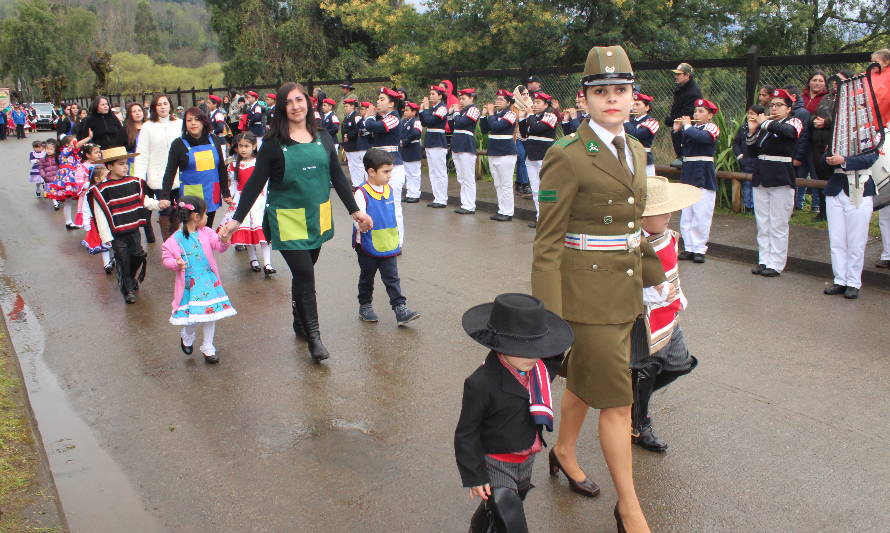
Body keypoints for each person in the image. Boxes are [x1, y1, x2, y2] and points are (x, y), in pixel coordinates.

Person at [531, 45, 665, 533]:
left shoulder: (638, 149)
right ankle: (628, 507)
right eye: (601, 91)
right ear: (584, 99)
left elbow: (633, 226)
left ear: (634, 98)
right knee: (618, 399)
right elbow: (546, 244)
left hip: (627, 291)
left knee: (587, 383)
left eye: (621, 91)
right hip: (585, 299)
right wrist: (547, 318)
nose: (612, 100)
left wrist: (659, 273)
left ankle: (564, 450)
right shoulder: (564, 154)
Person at [218, 82, 373, 362]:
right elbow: (254, 184)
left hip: (317, 217)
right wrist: (235, 220)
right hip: (287, 219)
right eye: (288, 102)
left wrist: (355, 211)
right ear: (281, 107)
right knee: (305, 274)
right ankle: (314, 336)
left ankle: (297, 318)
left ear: (308, 103)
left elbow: (337, 178)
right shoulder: (273, 144)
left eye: (299, 100)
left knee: (304, 273)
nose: (295, 106)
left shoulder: (323, 137)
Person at [455, 293, 572, 533]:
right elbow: (466, 433)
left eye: (538, 349)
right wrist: (475, 476)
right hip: (496, 463)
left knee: (501, 509)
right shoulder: (481, 383)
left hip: (526, 460)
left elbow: (555, 355)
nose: (533, 357)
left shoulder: (538, 372)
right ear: (501, 346)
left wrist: (550, 341)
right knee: (510, 515)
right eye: (523, 349)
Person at [632, 176, 702, 452]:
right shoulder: (632, 244)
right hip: (644, 319)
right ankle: (639, 422)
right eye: (660, 210)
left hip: (668, 315)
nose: (669, 214)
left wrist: (674, 296)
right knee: (647, 369)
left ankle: (632, 401)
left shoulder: (668, 237)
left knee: (680, 363)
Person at [90, 146, 170, 303]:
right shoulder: (101, 189)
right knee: (123, 259)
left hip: (133, 229)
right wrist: (105, 235)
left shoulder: (134, 182)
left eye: (126, 163)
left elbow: (143, 200)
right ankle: (127, 290)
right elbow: (101, 214)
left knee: (138, 256)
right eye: (120, 164)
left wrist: (158, 204)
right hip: (116, 233)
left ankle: (130, 277)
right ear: (109, 166)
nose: (125, 167)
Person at [162, 196, 236, 364]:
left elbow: (219, 246)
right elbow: (166, 258)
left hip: (209, 281)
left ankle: (208, 347)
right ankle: (187, 335)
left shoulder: (207, 233)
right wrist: (176, 263)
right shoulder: (175, 239)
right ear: (196, 217)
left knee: (211, 315)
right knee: (193, 316)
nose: (206, 218)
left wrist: (224, 239)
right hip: (189, 285)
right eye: (204, 215)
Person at [352, 149, 420, 325]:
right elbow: (357, 218)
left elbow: (393, 214)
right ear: (371, 172)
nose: (390, 175)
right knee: (367, 277)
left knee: (392, 277)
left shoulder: (389, 189)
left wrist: (397, 239)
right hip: (367, 244)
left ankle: (400, 309)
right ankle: (365, 306)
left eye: (391, 171)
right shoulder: (361, 192)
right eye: (386, 172)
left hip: (388, 243)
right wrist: (362, 224)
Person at [747, 88, 804, 278]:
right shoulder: (766, 126)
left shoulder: (793, 121)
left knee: (778, 223)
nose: (774, 108)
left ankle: (776, 263)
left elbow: (789, 133)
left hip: (781, 177)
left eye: (779, 105)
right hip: (762, 175)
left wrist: (765, 123)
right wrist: (752, 131)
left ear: (788, 108)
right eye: (772, 105)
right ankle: (764, 259)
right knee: (763, 222)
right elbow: (753, 151)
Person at [821, 149, 879, 299]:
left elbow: (871, 157)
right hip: (836, 188)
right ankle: (840, 279)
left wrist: (844, 160)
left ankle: (853, 282)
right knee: (837, 239)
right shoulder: (837, 133)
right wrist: (828, 158)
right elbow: (822, 161)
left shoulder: (869, 131)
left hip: (860, 187)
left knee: (856, 240)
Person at [160, 107, 231, 227]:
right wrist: (164, 196)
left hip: (211, 192)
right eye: (189, 120)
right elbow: (170, 172)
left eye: (197, 119)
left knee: (207, 230)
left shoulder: (214, 140)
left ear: (203, 122)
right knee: (193, 232)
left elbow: (221, 169)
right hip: (191, 197)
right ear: (185, 124)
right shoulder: (178, 144)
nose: (193, 123)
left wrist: (226, 192)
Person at [671, 98, 720, 263]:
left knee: (701, 213)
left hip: (703, 172)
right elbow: (680, 150)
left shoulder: (711, 127)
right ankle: (689, 247)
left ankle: (700, 248)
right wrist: (677, 132)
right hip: (688, 171)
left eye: (701, 111)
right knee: (687, 214)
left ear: (710, 115)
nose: (696, 114)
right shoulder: (689, 128)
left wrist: (686, 126)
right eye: (695, 111)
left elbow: (703, 139)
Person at [221, 132, 275, 275]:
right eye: (240, 146)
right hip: (241, 201)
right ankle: (253, 259)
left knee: (263, 232)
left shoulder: (260, 162)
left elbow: (266, 183)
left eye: (247, 146)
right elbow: (233, 184)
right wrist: (229, 196)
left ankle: (268, 263)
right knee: (246, 231)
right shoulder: (233, 165)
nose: (243, 149)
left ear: (254, 146)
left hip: (259, 201)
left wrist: (267, 197)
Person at [134, 93, 184, 241]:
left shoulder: (179, 123)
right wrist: (139, 178)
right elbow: (141, 154)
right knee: (164, 208)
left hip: (179, 174)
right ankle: (168, 243)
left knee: (178, 209)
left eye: (165, 103)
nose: (163, 107)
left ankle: (177, 241)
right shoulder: (148, 127)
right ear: (154, 108)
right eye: (159, 104)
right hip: (158, 175)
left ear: (170, 105)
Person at [363, 87, 407, 245]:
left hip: (392, 168)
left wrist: (368, 118)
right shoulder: (381, 118)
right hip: (378, 165)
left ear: (391, 104)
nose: (378, 102)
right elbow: (365, 129)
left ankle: (398, 242)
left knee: (394, 207)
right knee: (377, 205)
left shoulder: (394, 117)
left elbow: (373, 127)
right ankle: (380, 239)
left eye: (382, 99)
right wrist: (369, 120)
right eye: (378, 99)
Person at [518, 91, 558, 228]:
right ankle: (539, 216)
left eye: (538, 102)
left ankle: (550, 218)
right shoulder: (532, 117)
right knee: (535, 189)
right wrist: (522, 119)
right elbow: (524, 133)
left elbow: (537, 128)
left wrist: (529, 115)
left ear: (546, 105)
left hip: (544, 156)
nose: (534, 105)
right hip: (531, 156)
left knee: (546, 188)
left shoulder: (550, 116)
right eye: (534, 102)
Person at [480, 90, 518, 222]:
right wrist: (484, 116)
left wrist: (490, 114)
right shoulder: (495, 114)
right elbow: (485, 129)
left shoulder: (511, 114)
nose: (497, 101)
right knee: (498, 183)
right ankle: (501, 209)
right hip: (494, 151)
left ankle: (508, 212)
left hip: (506, 152)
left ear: (508, 103)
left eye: (501, 99)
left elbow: (497, 127)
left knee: (506, 183)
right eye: (497, 99)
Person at [50, 134, 93, 229]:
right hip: (67, 177)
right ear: (66, 144)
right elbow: (77, 146)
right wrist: (88, 137)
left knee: (68, 202)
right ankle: (69, 222)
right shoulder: (65, 151)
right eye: (74, 141)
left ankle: (69, 222)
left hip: (72, 176)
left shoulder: (73, 153)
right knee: (68, 201)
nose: (76, 143)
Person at [449, 88, 480, 215]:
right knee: (461, 177)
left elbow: (462, 123)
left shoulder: (474, 109)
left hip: (466, 146)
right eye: (460, 98)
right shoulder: (461, 111)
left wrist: (455, 112)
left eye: (464, 98)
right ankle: (464, 203)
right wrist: (451, 114)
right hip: (457, 145)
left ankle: (470, 205)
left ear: (471, 98)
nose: (460, 101)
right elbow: (452, 127)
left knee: (468, 177)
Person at [419, 85, 450, 208]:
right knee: (432, 171)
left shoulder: (442, 108)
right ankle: (437, 197)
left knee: (440, 171)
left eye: (433, 94)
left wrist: (426, 109)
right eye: (430, 94)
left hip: (438, 141)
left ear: (440, 96)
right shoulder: (432, 108)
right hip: (430, 141)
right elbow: (424, 122)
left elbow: (432, 121)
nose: (431, 96)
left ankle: (442, 198)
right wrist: (422, 110)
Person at [79, 166, 114, 274]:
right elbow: (85, 208)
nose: (107, 178)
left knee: (113, 240)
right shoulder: (91, 192)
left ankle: (115, 258)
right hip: (97, 221)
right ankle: (107, 263)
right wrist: (86, 223)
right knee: (104, 241)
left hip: (111, 219)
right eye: (105, 176)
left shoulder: (109, 188)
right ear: (97, 179)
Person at [732, 104, 766, 211]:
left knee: (757, 185)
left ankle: (756, 207)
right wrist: (739, 155)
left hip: (758, 162)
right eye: (749, 113)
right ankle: (748, 206)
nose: (749, 116)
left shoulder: (763, 128)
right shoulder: (743, 127)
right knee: (746, 184)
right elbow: (736, 143)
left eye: (753, 114)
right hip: (745, 161)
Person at [624, 92, 659, 176]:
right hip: (628, 158)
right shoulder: (630, 121)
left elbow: (635, 134)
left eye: (638, 104)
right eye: (633, 104)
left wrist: (625, 121)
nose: (634, 107)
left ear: (647, 107)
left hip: (644, 159)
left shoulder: (652, 122)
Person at [664, 63, 702, 135]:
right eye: (676, 74)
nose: (675, 76)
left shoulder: (693, 92)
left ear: (687, 75)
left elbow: (687, 115)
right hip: (679, 127)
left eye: (678, 74)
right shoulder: (681, 88)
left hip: (687, 131)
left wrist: (670, 120)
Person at [400, 101, 423, 203]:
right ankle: (409, 193)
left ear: (414, 112)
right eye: (405, 110)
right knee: (408, 174)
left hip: (413, 148)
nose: (405, 112)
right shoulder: (404, 121)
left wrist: (405, 141)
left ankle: (415, 194)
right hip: (405, 150)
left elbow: (416, 133)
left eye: (407, 110)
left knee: (414, 174)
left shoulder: (416, 121)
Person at [341, 98, 367, 187]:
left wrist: (348, 136)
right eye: (344, 106)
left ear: (352, 106)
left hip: (355, 145)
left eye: (347, 106)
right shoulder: (346, 118)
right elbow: (343, 130)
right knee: (351, 166)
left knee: (358, 166)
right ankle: (355, 183)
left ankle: (360, 184)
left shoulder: (356, 117)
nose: (345, 108)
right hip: (348, 146)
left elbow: (357, 130)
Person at [513, 85, 532, 199]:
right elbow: (514, 119)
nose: (525, 96)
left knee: (526, 160)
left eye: (527, 94)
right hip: (517, 136)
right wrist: (521, 115)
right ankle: (524, 184)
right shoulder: (514, 106)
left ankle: (520, 183)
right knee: (521, 158)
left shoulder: (531, 104)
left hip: (528, 137)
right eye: (523, 94)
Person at [38, 139, 59, 208]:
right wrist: (43, 175)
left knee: (58, 191)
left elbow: (60, 166)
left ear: (55, 150)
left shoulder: (57, 158)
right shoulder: (43, 159)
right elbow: (40, 168)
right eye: (47, 149)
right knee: (52, 191)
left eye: (51, 149)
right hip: (48, 179)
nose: (49, 151)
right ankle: (55, 203)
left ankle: (57, 200)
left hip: (57, 178)